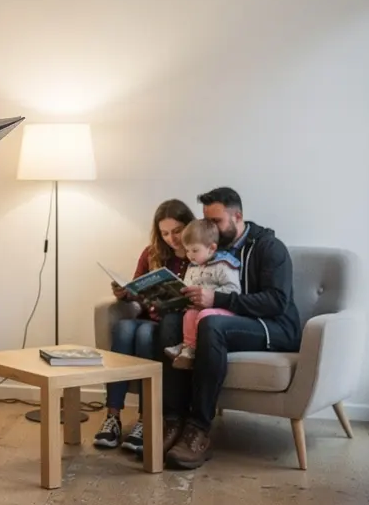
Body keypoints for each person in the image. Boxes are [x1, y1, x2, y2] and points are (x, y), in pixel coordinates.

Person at [163, 186, 300, 469]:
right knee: (172, 322)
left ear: (237, 216)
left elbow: (276, 301)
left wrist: (217, 299)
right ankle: (172, 419)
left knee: (213, 325)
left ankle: (198, 430)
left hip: (273, 327)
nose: (209, 227)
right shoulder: (214, 249)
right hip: (232, 320)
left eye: (216, 221)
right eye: (206, 220)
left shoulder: (269, 248)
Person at [94, 198, 195, 453]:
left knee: (146, 334)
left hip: (175, 325)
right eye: (164, 233)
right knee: (125, 328)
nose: (171, 238)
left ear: (189, 225)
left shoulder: (198, 252)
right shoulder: (153, 253)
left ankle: (145, 420)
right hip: (149, 317)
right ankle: (113, 416)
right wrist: (125, 292)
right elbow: (139, 289)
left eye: (176, 231)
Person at [163, 219, 238, 368]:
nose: (190, 255)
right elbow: (188, 286)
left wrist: (211, 295)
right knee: (190, 314)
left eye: (195, 250)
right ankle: (188, 347)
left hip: (223, 310)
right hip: (198, 307)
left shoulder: (223, 265)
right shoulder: (193, 267)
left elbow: (234, 290)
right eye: (187, 250)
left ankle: (191, 349)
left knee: (204, 316)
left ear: (211, 248)